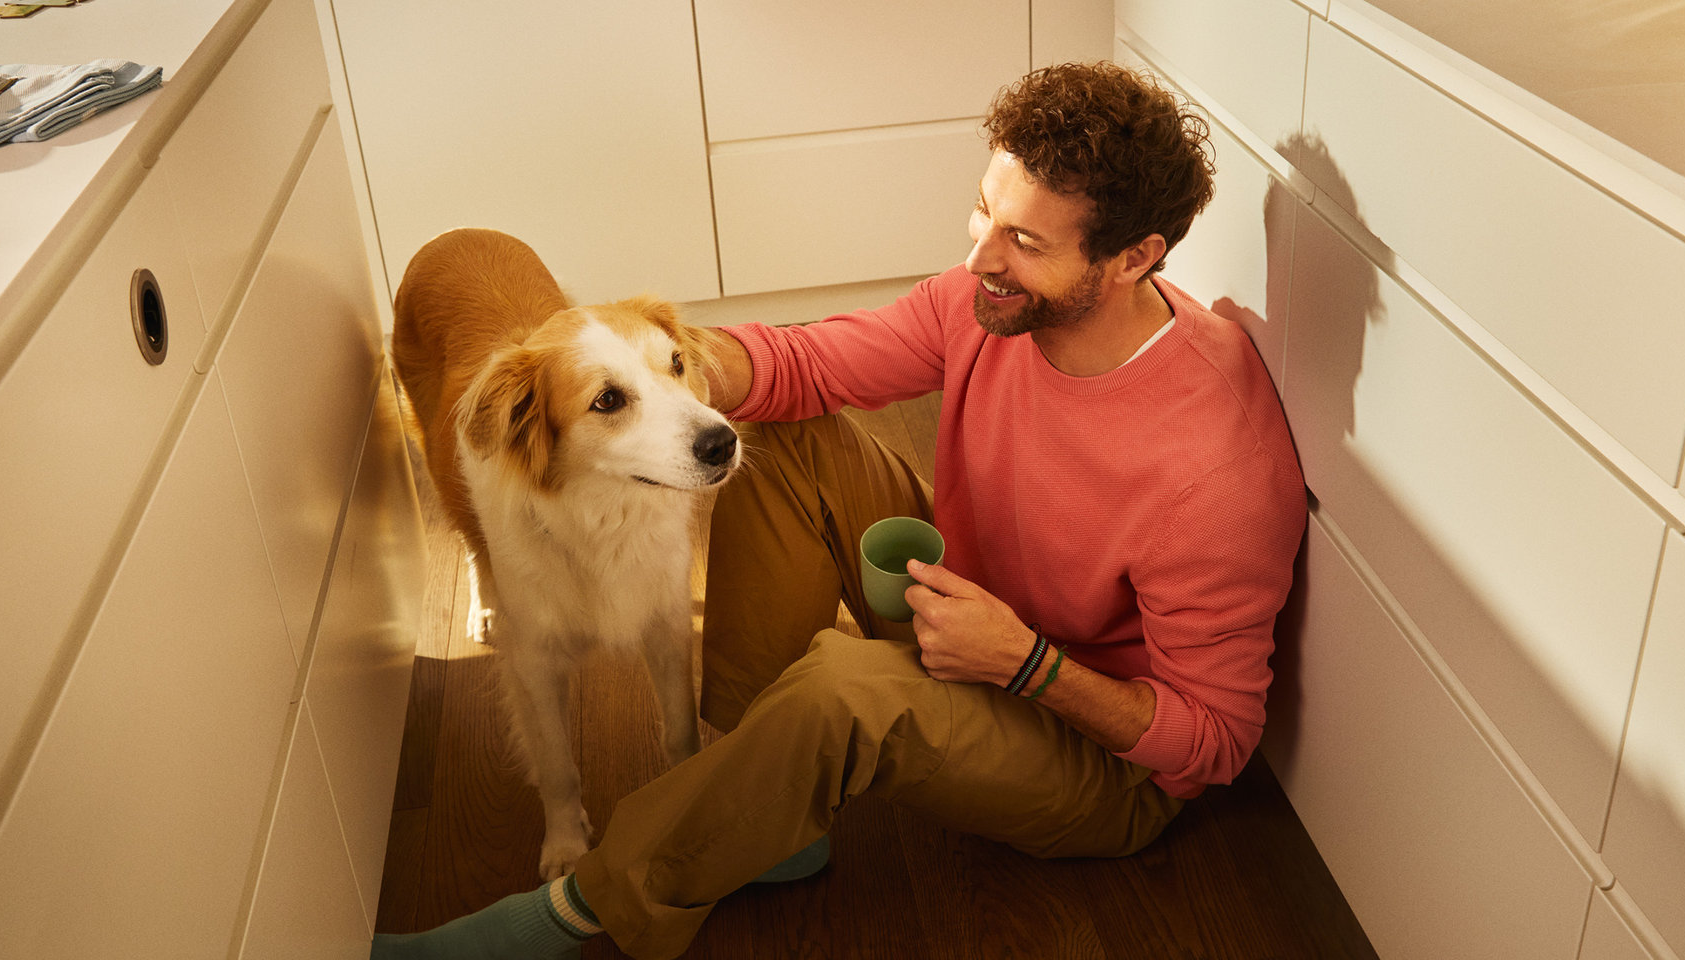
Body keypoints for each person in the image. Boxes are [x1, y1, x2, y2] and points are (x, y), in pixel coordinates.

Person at [373, 60, 1305, 960]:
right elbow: (808, 366)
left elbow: (1211, 746)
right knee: (770, 432)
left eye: (1025, 241)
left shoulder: (1212, 473)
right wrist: (654, 365)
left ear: (1136, 257)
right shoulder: (999, 300)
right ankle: (764, 797)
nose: (980, 254)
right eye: (986, 208)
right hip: (980, 609)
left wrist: (1022, 664)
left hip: (1100, 753)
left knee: (841, 686)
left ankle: (583, 907)